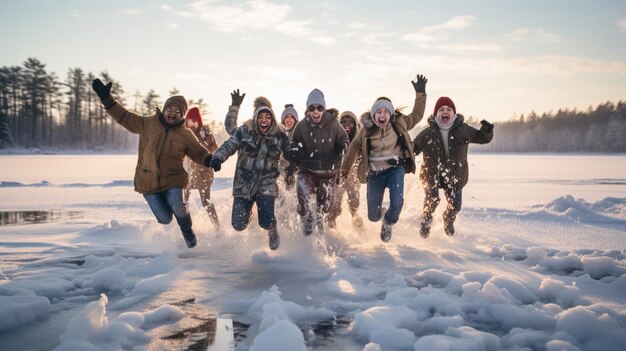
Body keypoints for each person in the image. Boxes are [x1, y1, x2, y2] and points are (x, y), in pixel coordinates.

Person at [91, 79, 213, 248]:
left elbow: (198, 151)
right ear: (164, 110)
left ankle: (187, 230)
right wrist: (107, 99)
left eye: (177, 111)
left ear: (181, 115)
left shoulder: (185, 134)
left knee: (178, 206)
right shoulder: (148, 124)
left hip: (173, 180)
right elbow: (124, 117)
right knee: (165, 219)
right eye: (170, 108)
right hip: (148, 182)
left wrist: (208, 159)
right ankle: (167, 210)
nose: (173, 112)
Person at [341, 74, 428, 242]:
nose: (382, 115)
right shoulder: (366, 130)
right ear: (373, 115)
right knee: (373, 216)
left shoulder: (399, 123)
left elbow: (417, 115)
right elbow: (353, 148)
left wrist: (420, 94)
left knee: (396, 203)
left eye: (386, 112)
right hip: (374, 173)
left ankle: (388, 223)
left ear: (391, 114)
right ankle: (381, 218)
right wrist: (344, 170)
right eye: (378, 112)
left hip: (395, 169)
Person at [208, 91, 290, 250]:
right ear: (255, 116)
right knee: (238, 225)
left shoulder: (278, 134)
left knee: (266, 221)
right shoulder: (244, 130)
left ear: (272, 116)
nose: (263, 119)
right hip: (244, 184)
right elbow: (230, 139)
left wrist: (294, 162)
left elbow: (291, 150)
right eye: (259, 115)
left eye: (267, 115)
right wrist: (218, 157)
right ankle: (250, 213)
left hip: (266, 184)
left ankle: (271, 227)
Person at [413, 96, 494, 238]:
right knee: (432, 199)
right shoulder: (428, 133)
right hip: (432, 174)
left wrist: (487, 130)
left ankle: (448, 219)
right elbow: (413, 148)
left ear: (454, 114)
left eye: (449, 109)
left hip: (455, 175)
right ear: (435, 114)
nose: (445, 111)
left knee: (456, 205)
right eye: (441, 109)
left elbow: (482, 138)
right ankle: (426, 220)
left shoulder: (463, 130)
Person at [288, 89, 349, 236]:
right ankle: (306, 218)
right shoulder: (302, 126)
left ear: (324, 109)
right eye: (312, 108)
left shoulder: (333, 123)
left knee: (326, 208)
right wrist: (296, 150)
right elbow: (293, 142)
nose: (316, 111)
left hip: (329, 172)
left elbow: (344, 139)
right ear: (308, 109)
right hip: (307, 170)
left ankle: (319, 221)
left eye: (319, 108)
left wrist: (343, 147)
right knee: (303, 197)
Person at [326, 111, 364, 229]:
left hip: (353, 177)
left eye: (350, 121)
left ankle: (357, 223)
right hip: (338, 177)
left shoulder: (360, 137)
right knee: (335, 206)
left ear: (355, 123)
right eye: (343, 121)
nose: (346, 124)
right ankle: (330, 226)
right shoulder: (335, 137)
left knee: (354, 204)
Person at [183, 107, 220, 228]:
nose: (189, 123)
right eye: (188, 121)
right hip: (190, 172)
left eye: (191, 120)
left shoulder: (205, 133)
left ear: (196, 120)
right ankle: (186, 226)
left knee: (205, 201)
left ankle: (216, 227)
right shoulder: (186, 132)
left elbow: (214, 149)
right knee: (184, 198)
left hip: (204, 173)